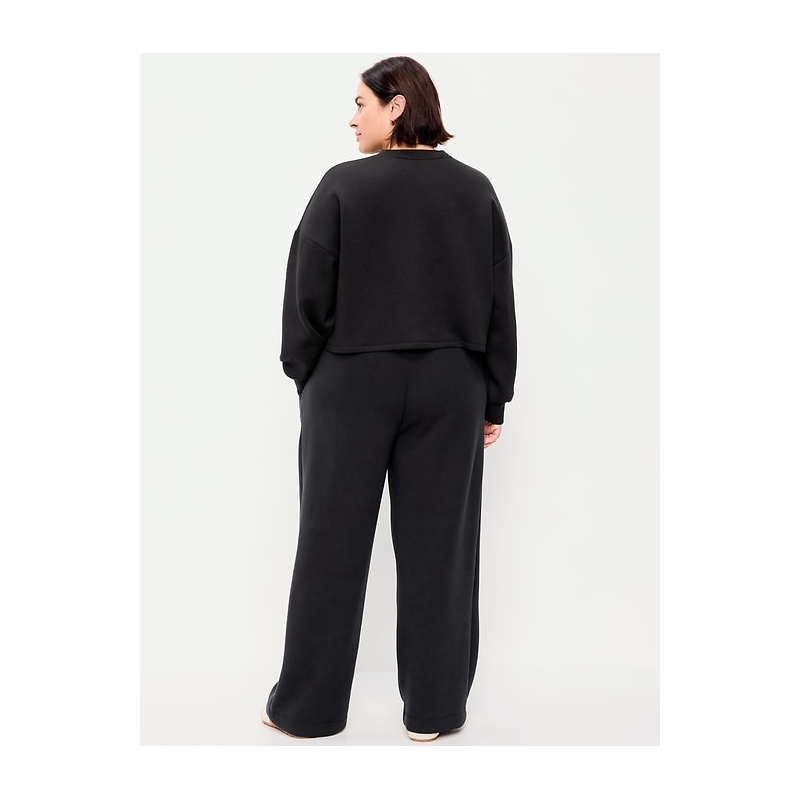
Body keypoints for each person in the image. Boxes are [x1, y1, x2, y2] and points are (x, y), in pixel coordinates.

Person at [262, 56, 517, 742]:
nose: (352, 119)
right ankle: (433, 713)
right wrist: (493, 395)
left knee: (330, 545)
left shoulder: (343, 186)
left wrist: (307, 374)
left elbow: (306, 293)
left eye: (361, 103)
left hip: (349, 382)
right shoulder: (475, 191)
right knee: (442, 551)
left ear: (396, 106)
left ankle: (306, 710)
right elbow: (498, 301)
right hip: (451, 385)